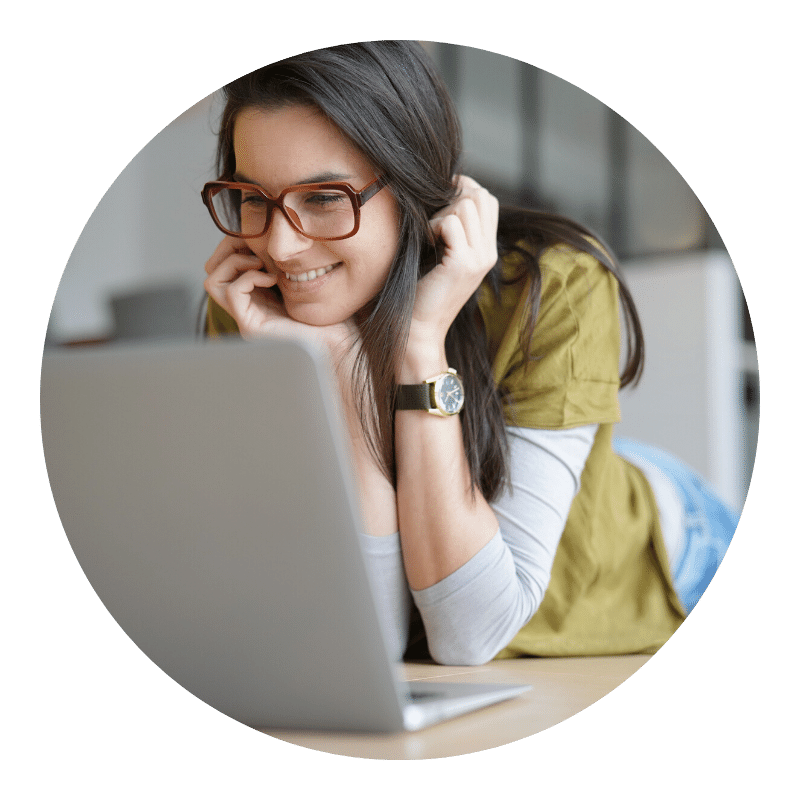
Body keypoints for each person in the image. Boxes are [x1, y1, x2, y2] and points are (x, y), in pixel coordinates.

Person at [201, 41, 737, 666]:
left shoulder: (552, 286)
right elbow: (372, 639)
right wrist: (341, 370)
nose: (282, 246)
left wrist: (420, 344)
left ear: (410, 190)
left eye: (324, 199)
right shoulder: (254, 300)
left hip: (663, 556)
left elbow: (470, 635)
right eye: (255, 199)